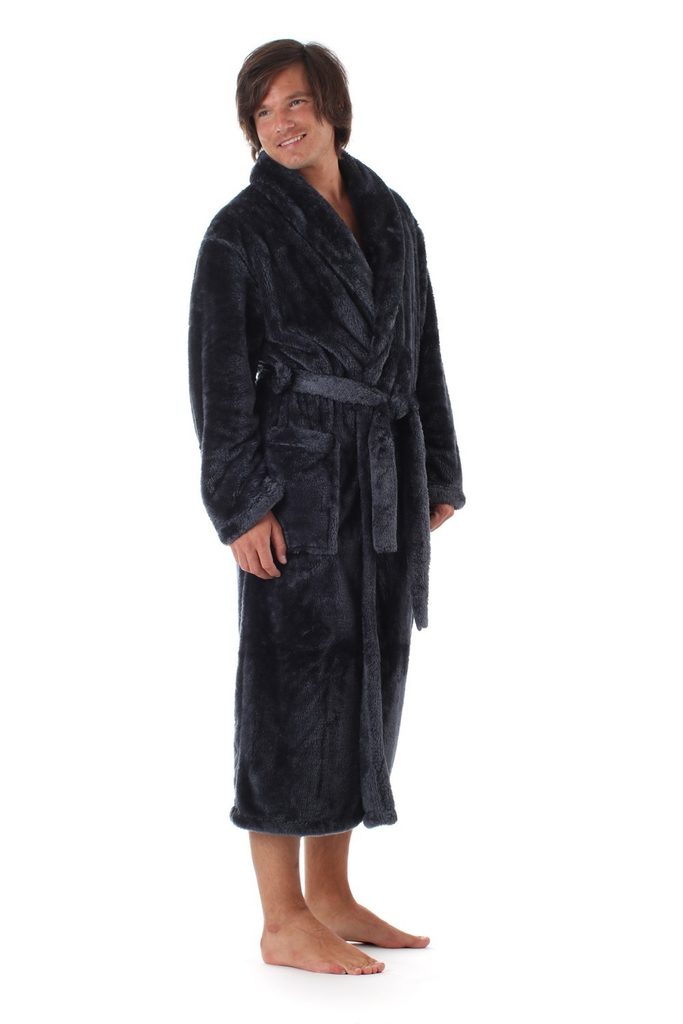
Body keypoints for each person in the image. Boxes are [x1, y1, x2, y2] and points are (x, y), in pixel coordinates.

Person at [188, 39, 466, 976]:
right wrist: (241, 505)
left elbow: (421, 349)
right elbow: (218, 379)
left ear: (332, 108)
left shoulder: (390, 216)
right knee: (287, 687)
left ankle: (333, 895)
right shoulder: (240, 233)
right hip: (296, 486)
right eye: (263, 110)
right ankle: (281, 919)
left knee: (365, 677)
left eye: (296, 102)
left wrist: (436, 471)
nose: (281, 123)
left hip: (383, 477)